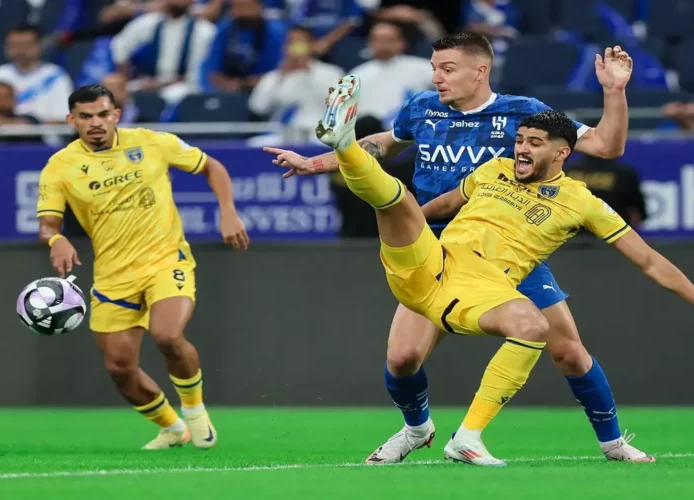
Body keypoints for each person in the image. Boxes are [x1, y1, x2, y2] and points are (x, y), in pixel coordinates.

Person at [314, 80, 694, 464]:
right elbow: (445, 205)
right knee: (395, 209)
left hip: (489, 283)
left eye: (533, 143)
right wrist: (413, 227)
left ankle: (592, 442)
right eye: (520, 140)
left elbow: (648, 259)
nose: (521, 148)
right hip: (435, 260)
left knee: (557, 342)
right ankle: (345, 145)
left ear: (562, 153)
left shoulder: (582, 201)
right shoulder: (494, 168)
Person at [264, 32, 651, 465]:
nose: (437, 78)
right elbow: (381, 145)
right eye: (434, 69)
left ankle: (613, 443)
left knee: (569, 352)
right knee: (402, 358)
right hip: (435, 246)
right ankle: (417, 429)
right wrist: (316, 163)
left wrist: (614, 91)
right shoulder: (423, 109)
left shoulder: (523, 113)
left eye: (447, 69)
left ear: (479, 71)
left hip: (502, 250)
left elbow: (606, 146)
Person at [36, 84, 249, 449]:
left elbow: (212, 167)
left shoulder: (152, 142)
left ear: (116, 115)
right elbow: (47, 224)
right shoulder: (60, 166)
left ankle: (195, 413)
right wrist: (57, 240)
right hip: (112, 276)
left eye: (103, 114)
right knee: (119, 368)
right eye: (85, 117)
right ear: (72, 120)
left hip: (166, 260)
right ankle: (171, 427)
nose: (96, 123)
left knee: (166, 335)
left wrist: (227, 211)